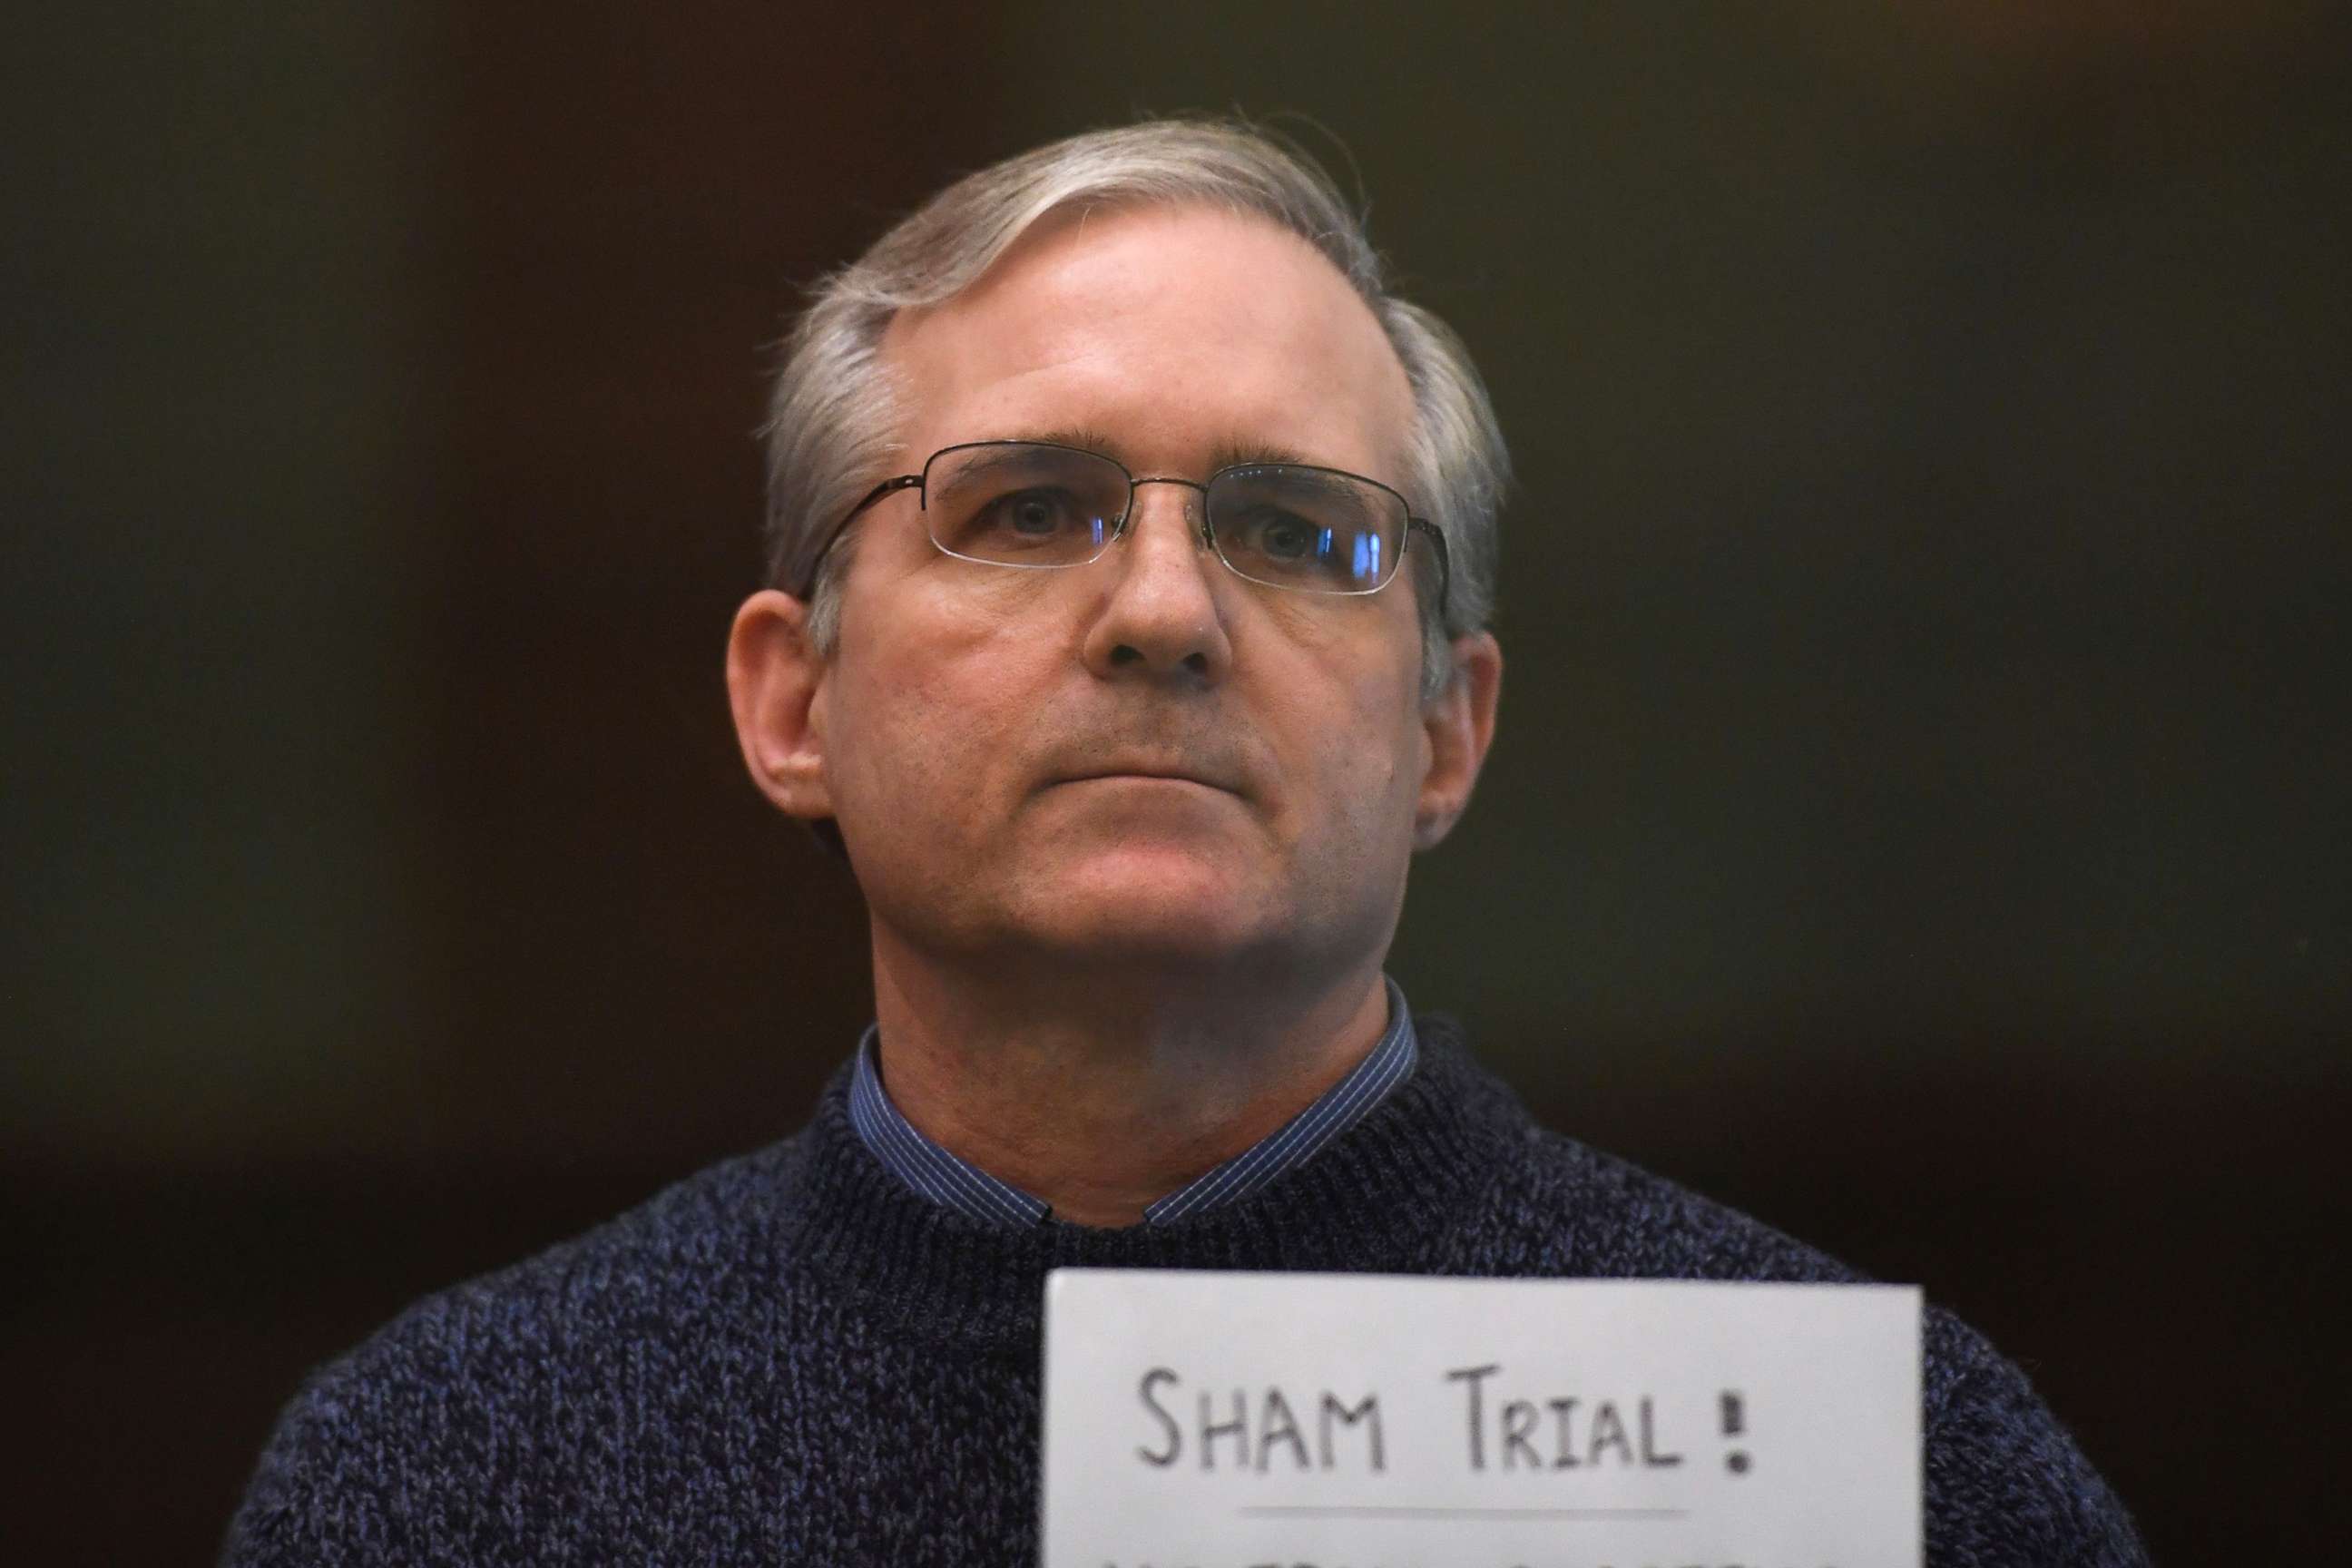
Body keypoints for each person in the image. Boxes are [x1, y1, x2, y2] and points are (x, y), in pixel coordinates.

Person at [223, 119, 2145, 1565]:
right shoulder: (452, 1474)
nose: (1162, 608)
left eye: (1301, 530)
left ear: (1446, 733)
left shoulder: (1889, 1472)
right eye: (1033, 507)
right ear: (792, 703)